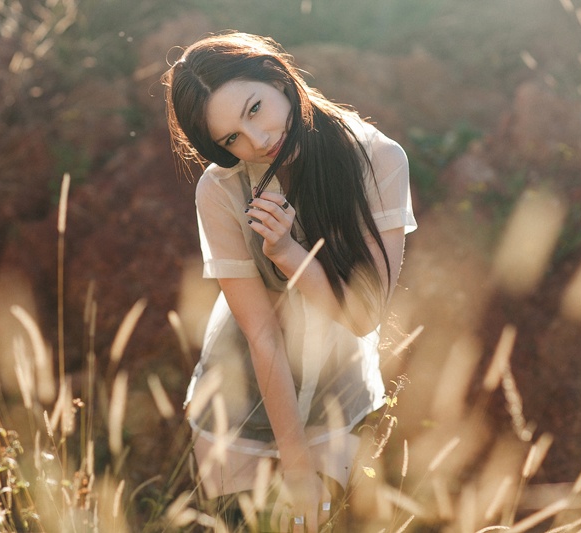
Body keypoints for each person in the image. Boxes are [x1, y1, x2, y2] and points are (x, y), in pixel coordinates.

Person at [162, 32, 416, 531]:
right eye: (230, 138)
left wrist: (288, 252)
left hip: (336, 388)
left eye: (255, 109)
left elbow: (364, 317)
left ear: (278, 78)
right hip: (240, 386)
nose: (256, 141)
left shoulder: (378, 160)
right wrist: (293, 461)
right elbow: (261, 333)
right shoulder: (219, 188)